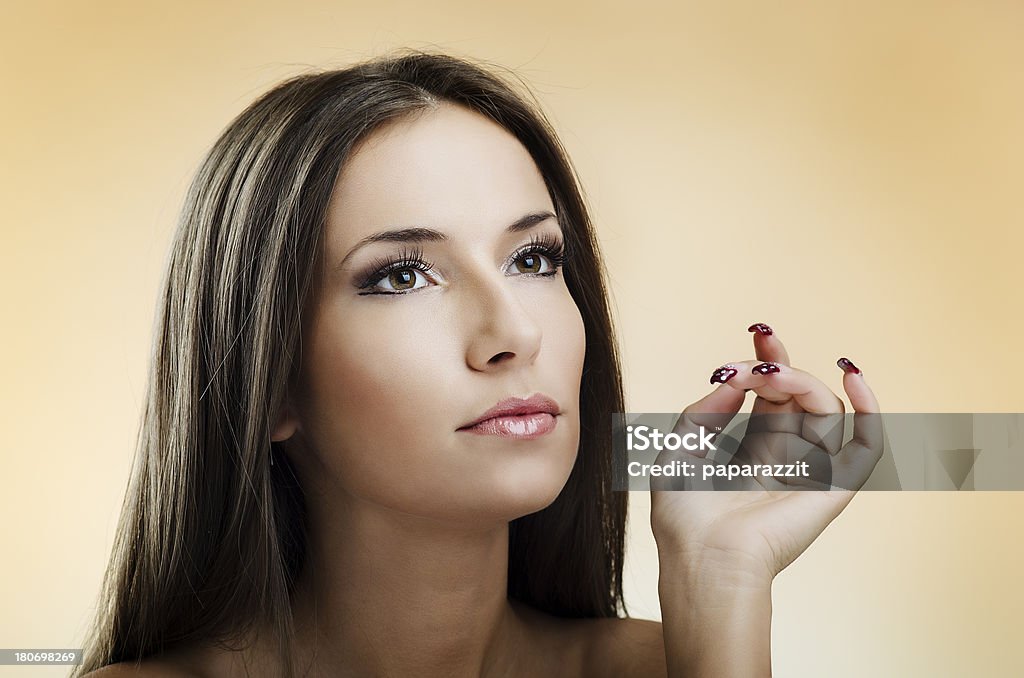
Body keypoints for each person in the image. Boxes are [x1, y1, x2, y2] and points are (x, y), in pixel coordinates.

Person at [77, 50, 881, 678]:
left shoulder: (683, 664)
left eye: (533, 259)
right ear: (273, 381)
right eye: (400, 275)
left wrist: (720, 576)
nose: (513, 332)